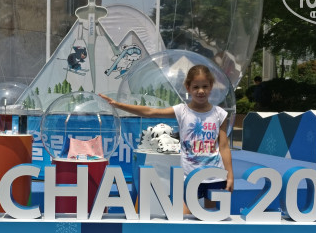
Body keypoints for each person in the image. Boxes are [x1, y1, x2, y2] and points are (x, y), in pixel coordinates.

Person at [99, 65, 234, 214]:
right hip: (188, 176)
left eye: (205, 86)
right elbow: (151, 112)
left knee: (211, 218)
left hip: (214, 175)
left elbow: (224, 147)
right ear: (188, 88)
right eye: (196, 87)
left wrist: (229, 175)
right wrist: (117, 105)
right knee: (183, 217)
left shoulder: (219, 114)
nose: (200, 91)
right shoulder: (182, 111)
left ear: (211, 87)